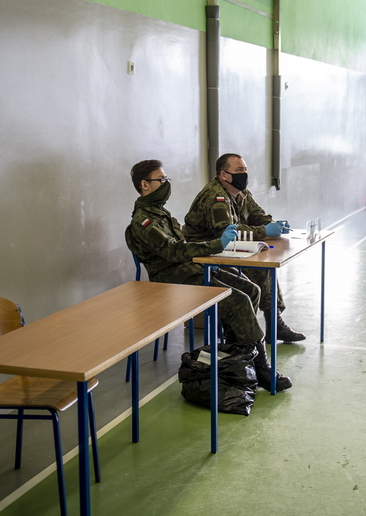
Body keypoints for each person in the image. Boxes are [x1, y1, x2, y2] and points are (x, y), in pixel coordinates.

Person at [125, 159, 292, 392]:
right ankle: (261, 367)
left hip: (190, 269)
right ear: (144, 185)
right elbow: (174, 251)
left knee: (251, 289)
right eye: (161, 180)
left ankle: (236, 359)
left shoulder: (160, 213)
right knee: (239, 300)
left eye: (166, 179)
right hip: (172, 281)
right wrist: (216, 244)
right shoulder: (144, 221)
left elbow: (182, 248)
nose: (166, 184)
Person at [183, 153, 305, 343]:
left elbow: (257, 215)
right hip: (207, 255)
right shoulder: (216, 197)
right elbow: (228, 232)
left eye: (245, 169)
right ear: (224, 175)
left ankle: (274, 324)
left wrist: (274, 225)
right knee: (260, 270)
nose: (244, 174)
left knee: (267, 267)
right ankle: (243, 335)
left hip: (229, 252)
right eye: (239, 170)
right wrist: (263, 230)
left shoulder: (239, 191)